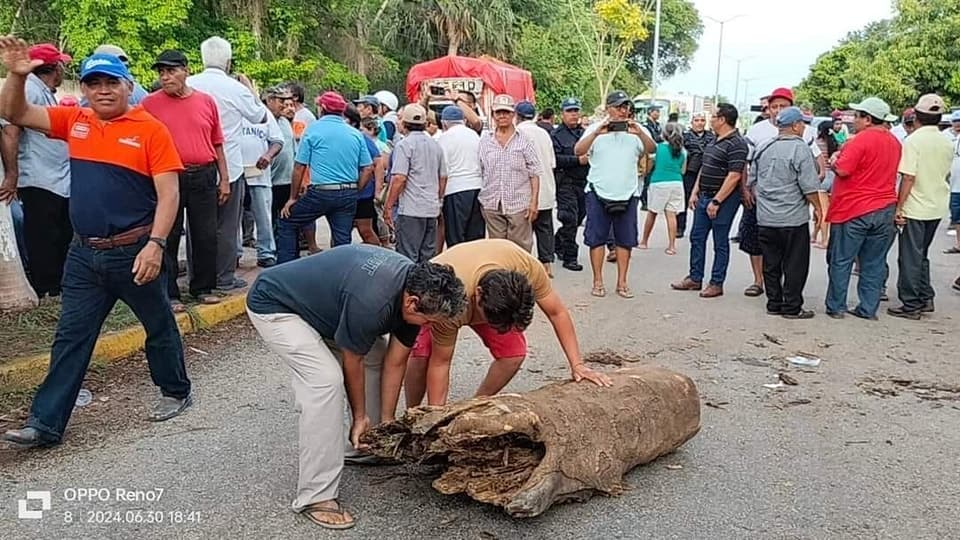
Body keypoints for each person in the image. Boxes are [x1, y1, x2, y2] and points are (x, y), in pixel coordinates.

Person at [0, 40, 192, 448]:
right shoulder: (76, 120)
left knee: (158, 325)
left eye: (111, 82)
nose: (103, 90)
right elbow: (14, 113)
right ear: (84, 88)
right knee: (71, 336)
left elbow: (170, 194)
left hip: (134, 252)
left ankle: (175, 390)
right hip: (84, 254)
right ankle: (45, 423)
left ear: (127, 86)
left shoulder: (151, 130)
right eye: (94, 83)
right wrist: (16, 75)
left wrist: (156, 245)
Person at [246, 245, 467, 529]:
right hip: (277, 306)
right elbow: (353, 360)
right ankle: (316, 495)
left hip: (326, 309)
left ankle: (365, 445)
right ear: (412, 303)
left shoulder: (416, 293)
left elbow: (395, 362)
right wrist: (360, 416)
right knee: (324, 381)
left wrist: (387, 423)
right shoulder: (373, 301)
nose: (428, 326)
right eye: (428, 321)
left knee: (378, 354)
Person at [403, 239, 611, 407]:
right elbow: (441, 362)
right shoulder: (448, 302)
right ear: (478, 295)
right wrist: (436, 417)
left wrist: (578, 365)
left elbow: (557, 313)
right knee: (422, 356)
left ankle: (475, 405)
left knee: (513, 354)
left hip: (491, 293)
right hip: (439, 295)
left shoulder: (527, 268)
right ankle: (414, 413)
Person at [141, 49, 229, 310]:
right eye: (161, 72)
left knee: (205, 234)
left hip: (203, 173)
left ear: (186, 71)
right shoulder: (149, 104)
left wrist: (224, 178)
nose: (165, 77)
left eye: (171, 71)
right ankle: (169, 293)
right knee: (168, 233)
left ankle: (203, 287)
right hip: (168, 176)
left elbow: (217, 142)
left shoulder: (205, 102)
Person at [187, 36, 270, 291]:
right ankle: (223, 278)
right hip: (230, 167)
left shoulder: (188, 84)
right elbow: (260, 116)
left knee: (195, 225)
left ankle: (195, 277)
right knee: (226, 226)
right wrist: (251, 90)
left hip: (192, 165)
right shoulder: (236, 88)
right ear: (229, 62)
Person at [0, 43, 72, 298]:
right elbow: (10, 131)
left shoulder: (43, 90)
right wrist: (12, 175)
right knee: (43, 235)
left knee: (57, 233)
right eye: (61, 65)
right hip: (39, 177)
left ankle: (56, 284)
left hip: (54, 177)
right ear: (55, 68)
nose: (63, 70)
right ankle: (47, 287)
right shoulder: (29, 89)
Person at [742, 87, 826, 299]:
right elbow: (808, 185)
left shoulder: (763, 147)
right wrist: (818, 207)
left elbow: (752, 177)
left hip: (766, 217)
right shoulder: (800, 148)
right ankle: (791, 306)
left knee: (771, 262)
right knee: (794, 264)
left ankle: (773, 302)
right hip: (792, 219)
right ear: (796, 125)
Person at [825, 97, 901, 320]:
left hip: (853, 209)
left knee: (841, 260)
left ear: (868, 119)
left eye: (857, 116)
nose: (853, 120)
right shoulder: (895, 142)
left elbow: (843, 170)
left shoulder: (859, 141)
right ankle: (868, 308)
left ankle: (836, 307)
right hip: (885, 208)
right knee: (874, 262)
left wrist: (834, 159)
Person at [575, 91, 656, 299]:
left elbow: (651, 149)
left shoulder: (638, 130)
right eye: (618, 107)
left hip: (628, 192)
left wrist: (639, 133)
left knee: (625, 240)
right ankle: (597, 281)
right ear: (608, 108)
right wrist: (596, 133)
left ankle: (622, 283)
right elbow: (578, 151)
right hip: (597, 191)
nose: (622, 111)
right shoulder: (594, 129)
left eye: (625, 107)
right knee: (596, 239)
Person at [277, 92, 372, 261]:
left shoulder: (313, 130)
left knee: (287, 222)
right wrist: (356, 190)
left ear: (322, 108)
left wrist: (292, 198)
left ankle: (286, 267)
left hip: (321, 192)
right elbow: (368, 168)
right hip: (347, 191)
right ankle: (340, 273)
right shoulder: (355, 134)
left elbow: (299, 167)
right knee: (342, 240)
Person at [671, 103, 748, 298]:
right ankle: (695, 277)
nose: (709, 120)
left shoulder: (737, 143)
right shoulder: (713, 140)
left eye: (713, 117)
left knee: (720, 241)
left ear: (722, 120)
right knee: (697, 237)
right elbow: (704, 168)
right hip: (704, 195)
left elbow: (734, 175)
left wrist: (717, 201)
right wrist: (695, 192)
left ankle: (716, 282)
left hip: (723, 200)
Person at [888, 94, 953, 320]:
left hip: (915, 206)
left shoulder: (914, 141)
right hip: (937, 205)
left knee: (909, 257)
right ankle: (925, 296)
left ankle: (911, 303)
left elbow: (908, 177)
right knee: (921, 254)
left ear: (916, 115)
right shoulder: (946, 141)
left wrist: (899, 207)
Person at [477, 94, 542, 252]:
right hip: (492, 203)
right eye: (498, 112)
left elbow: (534, 173)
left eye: (506, 112)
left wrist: (534, 202)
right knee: (497, 249)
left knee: (520, 249)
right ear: (493, 115)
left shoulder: (524, 140)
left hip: (518, 203)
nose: (502, 116)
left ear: (513, 114)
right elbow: (481, 170)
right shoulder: (485, 141)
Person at [383, 104, 446, 262]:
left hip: (411, 210)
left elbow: (399, 178)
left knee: (408, 257)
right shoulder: (435, 145)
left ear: (404, 124)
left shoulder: (404, 145)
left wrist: (388, 206)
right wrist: (437, 199)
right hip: (431, 209)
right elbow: (443, 177)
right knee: (427, 256)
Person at [239, 87, 286, 267]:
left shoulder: (263, 113)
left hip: (258, 173)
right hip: (235, 172)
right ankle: (233, 254)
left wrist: (268, 155)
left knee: (263, 216)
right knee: (232, 218)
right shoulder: (230, 112)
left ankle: (266, 252)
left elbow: (277, 140)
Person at [516, 101, 558, 277]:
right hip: (546, 188)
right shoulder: (544, 133)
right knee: (545, 228)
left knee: (523, 232)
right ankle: (546, 265)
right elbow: (552, 163)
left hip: (525, 190)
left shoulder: (517, 133)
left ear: (517, 116)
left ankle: (524, 267)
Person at [436, 105, 485, 247]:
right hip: (477, 187)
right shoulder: (474, 136)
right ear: (463, 120)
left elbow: (443, 171)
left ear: (444, 123)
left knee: (456, 236)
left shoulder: (444, 139)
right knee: (475, 237)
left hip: (455, 189)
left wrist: (439, 197)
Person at [552, 98, 590, 271]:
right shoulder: (556, 135)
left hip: (583, 182)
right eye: (569, 111)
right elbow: (554, 159)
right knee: (569, 219)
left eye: (576, 111)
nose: (573, 114)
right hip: (565, 182)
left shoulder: (586, 134)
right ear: (562, 114)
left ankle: (558, 242)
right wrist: (577, 160)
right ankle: (570, 257)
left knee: (579, 217)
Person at [639, 122, 686, 255]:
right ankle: (671, 246)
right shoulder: (682, 151)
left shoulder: (658, 148)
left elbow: (649, 165)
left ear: (663, 134)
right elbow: (683, 170)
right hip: (677, 183)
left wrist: (645, 173)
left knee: (652, 212)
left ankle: (644, 241)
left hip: (659, 182)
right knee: (671, 215)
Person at [678, 112, 714, 238]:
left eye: (702, 120)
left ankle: (700, 228)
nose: (699, 123)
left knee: (702, 201)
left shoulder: (711, 137)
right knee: (684, 200)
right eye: (697, 120)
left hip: (706, 172)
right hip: (689, 172)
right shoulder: (685, 137)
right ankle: (680, 227)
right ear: (692, 122)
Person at [814, 121, 840, 249]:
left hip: (822, 178)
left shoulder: (816, 144)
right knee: (830, 209)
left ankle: (824, 240)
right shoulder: (835, 144)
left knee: (822, 210)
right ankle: (818, 236)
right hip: (834, 177)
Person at [945, 110, 960, 255]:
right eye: (955, 121)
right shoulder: (947, 137)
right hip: (954, 186)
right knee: (957, 218)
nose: (958, 124)